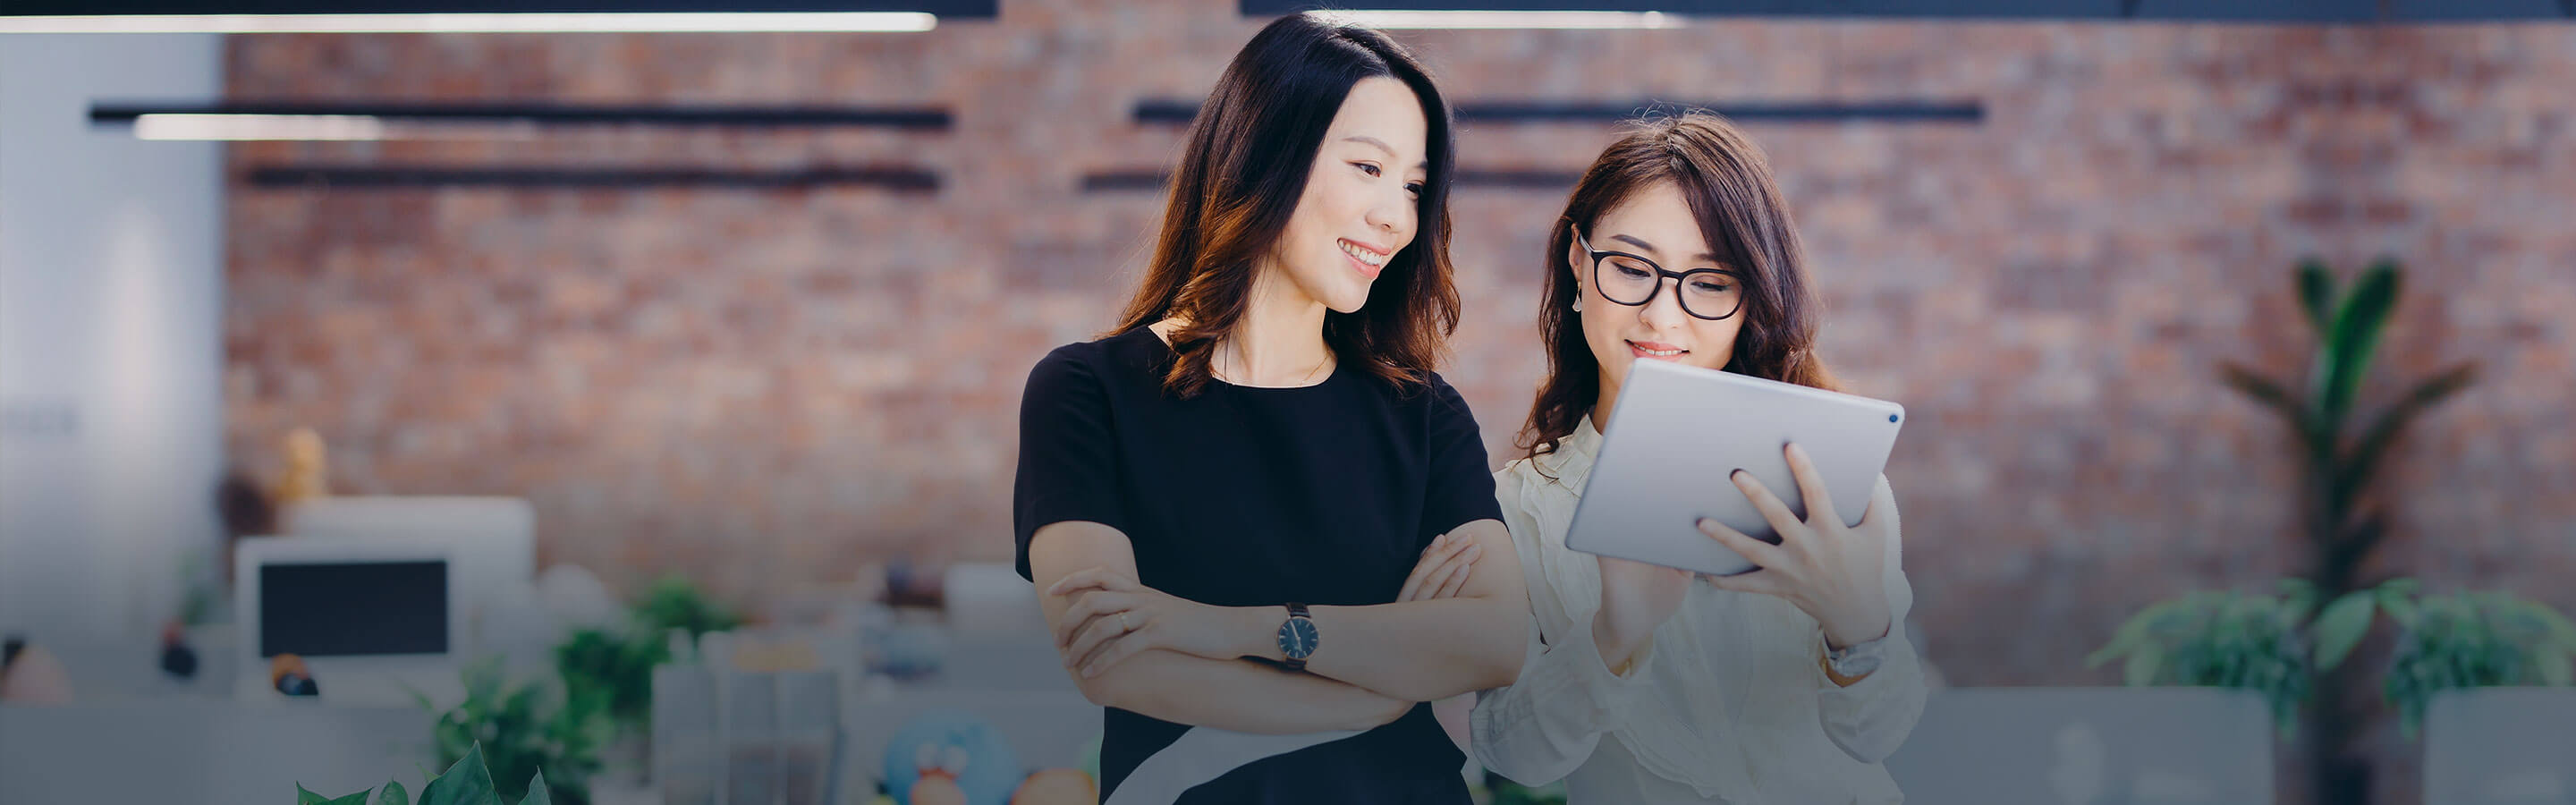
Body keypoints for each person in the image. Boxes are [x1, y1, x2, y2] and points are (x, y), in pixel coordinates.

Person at [1011, 13, 1526, 804]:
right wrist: (1377, 689)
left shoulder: (1420, 412)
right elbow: (1109, 656)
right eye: (1367, 167)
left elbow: (1492, 640)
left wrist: (1225, 630)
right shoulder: (1089, 392)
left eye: (1414, 185)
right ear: (1262, 152)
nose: (1397, 216)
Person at [1445, 112, 1927, 803]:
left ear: (1749, 299)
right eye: (1632, 268)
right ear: (1579, 264)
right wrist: (1615, 633)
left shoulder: (1825, 476)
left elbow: (1881, 736)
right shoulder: (1515, 509)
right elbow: (1516, 755)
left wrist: (1858, 623)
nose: (1662, 317)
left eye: (1708, 282)